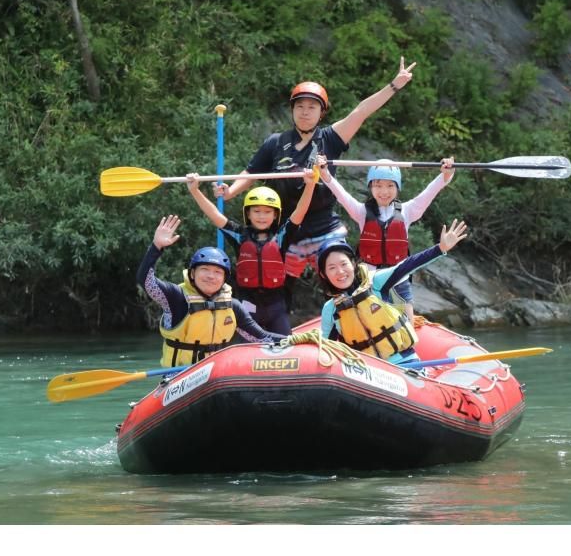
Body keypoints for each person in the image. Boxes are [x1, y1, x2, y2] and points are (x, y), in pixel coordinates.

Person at [212, 56, 417, 282]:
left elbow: (360, 111)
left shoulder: (330, 138)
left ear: (322, 113)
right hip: (287, 232)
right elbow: (252, 173)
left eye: (312, 107)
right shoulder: (275, 142)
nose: (305, 112)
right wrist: (230, 191)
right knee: (274, 282)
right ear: (292, 110)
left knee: (343, 275)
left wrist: (394, 85)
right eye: (299, 106)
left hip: (325, 229)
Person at [317, 155, 455, 323]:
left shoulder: (408, 211)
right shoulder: (361, 212)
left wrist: (446, 174)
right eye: (378, 185)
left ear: (397, 188)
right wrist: (325, 174)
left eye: (390, 185)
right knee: (374, 326)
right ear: (371, 187)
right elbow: (341, 195)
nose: (384, 191)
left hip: (399, 279)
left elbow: (429, 192)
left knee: (407, 326)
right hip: (371, 281)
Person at [137, 215, 285, 367]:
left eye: (217, 272)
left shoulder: (233, 306)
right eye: (205, 269)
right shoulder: (176, 297)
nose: (211, 276)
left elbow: (262, 338)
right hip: (178, 374)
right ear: (192, 273)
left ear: (224, 278)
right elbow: (146, 281)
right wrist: (156, 246)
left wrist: (293, 340)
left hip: (217, 374)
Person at [316, 219, 468, 366]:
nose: (340, 271)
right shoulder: (331, 309)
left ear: (354, 264)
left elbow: (407, 265)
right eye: (332, 268)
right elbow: (327, 349)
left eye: (344, 264)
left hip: (404, 363)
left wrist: (440, 249)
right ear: (324, 274)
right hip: (367, 373)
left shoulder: (375, 282)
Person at [185, 168, 317, 335]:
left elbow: (300, 211)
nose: (262, 216)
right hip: (247, 307)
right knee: (247, 342)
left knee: (285, 343)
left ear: (275, 215)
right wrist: (195, 191)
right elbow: (214, 215)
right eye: (256, 211)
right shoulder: (239, 235)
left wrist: (310, 185)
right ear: (248, 213)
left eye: (267, 212)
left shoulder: (281, 236)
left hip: (276, 306)